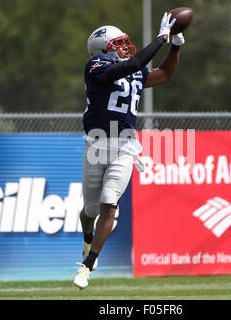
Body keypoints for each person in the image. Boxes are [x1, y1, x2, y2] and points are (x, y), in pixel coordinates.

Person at [73, 12, 185, 289]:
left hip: (124, 147)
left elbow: (166, 74)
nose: (125, 46)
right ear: (104, 48)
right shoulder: (96, 66)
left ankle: (87, 267)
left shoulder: (132, 69)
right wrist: (160, 39)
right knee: (89, 210)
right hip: (97, 145)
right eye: (119, 43)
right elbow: (128, 66)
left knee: (109, 203)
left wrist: (176, 46)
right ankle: (87, 240)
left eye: (125, 42)